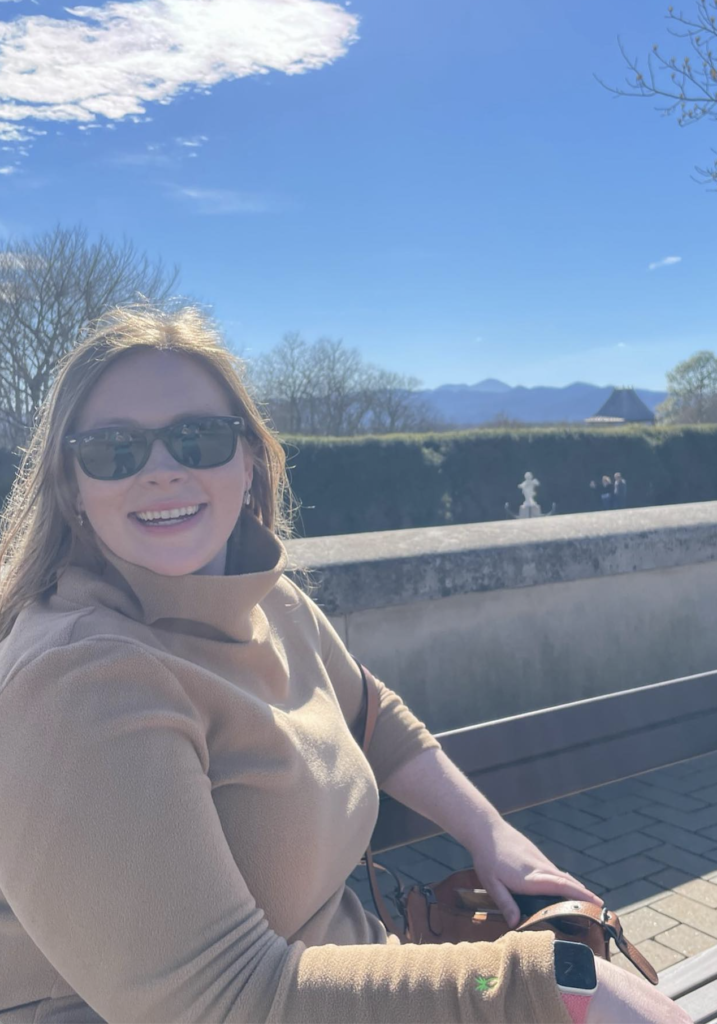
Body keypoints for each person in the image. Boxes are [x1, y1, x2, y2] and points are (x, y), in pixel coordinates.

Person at [0, 305, 688, 1024]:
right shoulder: (80, 682)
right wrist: (549, 988)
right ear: (71, 486)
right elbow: (213, 1001)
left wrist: (491, 834)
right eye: (114, 450)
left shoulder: (271, 602)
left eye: (197, 438)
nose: (162, 471)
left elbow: (372, 716)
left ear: (248, 459)